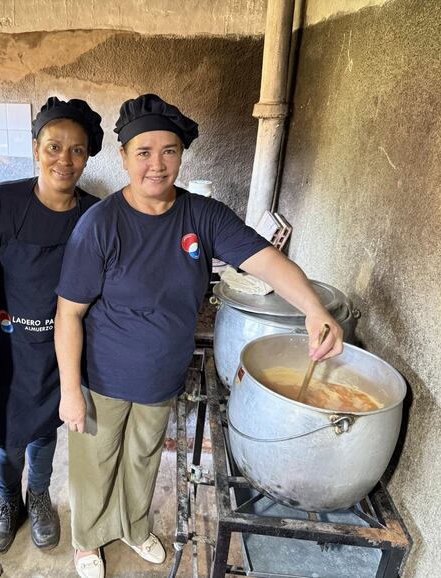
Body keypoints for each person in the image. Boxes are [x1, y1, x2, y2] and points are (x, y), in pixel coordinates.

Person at [54, 93, 345, 578]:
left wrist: (314, 307)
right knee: (96, 463)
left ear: (181, 155)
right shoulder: (100, 225)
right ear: (123, 157)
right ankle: (88, 539)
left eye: (169, 151)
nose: (157, 164)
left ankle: (132, 526)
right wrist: (69, 391)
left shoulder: (202, 215)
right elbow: (69, 313)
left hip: (161, 374)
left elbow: (264, 259)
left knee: (144, 459)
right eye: (143, 152)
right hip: (102, 377)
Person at [0, 97, 103, 553]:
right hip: (5, 348)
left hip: (59, 349)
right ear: (35, 148)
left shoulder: (95, 215)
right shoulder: (0, 202)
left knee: (45, 429)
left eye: (77, 150)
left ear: (88, 156)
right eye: (53, 146)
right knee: (4, 435)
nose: (64, 160)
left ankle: (39, 496)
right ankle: (9, 501)